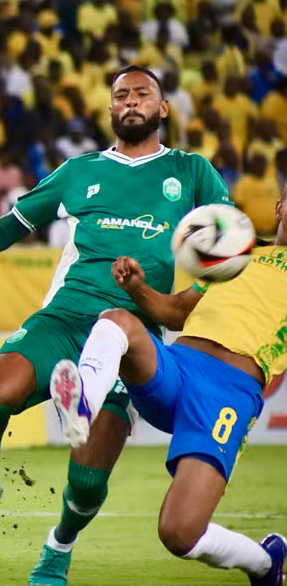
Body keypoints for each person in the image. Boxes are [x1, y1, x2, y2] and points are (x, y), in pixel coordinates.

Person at [0, 66, 232, 586]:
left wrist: (189, 298)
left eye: (142, 94)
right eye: (121, 95)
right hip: (64, 317)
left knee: (87, 481)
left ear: (163, 108)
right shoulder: (79, 171)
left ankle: (58, 547)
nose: (131, 101)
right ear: (110, 109)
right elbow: (6, 229)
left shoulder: (191, 170)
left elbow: (229, 241)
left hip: (130, 336)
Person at [49, 186, 287, 586]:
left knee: (179, 532)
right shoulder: (238, 253)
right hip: (179, 366)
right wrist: (137, 288)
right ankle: (82, 406)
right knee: (117, 320)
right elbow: (175, 312)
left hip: (227, 396)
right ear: (279, 207)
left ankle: (265, 563)